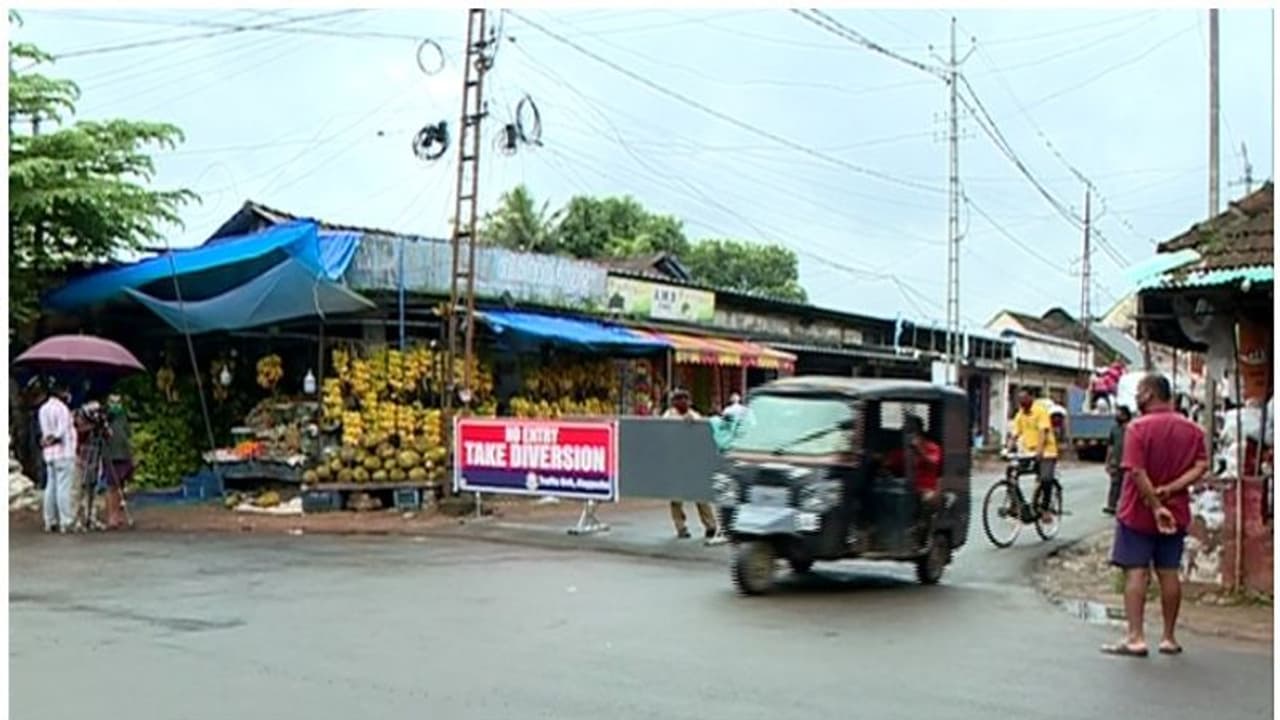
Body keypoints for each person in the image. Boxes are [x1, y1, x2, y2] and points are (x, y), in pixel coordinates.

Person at [1102, 374, 1207, 659]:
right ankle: (1169, 637)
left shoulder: (1137, 428)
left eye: (1138, 391)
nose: (1136, 397)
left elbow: (1135, 471)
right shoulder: (1193, 430)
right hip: (1176, 511)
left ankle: (1135, 637)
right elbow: (1201, 466)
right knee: (1169, 572)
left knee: (1136, 572)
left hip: (1137, 511)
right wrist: (1170, 491)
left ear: (1149, 394)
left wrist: (1153, 503)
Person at [663, 389, 718, 540]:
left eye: (685, 399)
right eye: (678, 399)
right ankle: (680, 527)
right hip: (675, 461)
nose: (682, 402)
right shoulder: (669, 416)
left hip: (692, 461)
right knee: (676, 497)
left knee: (700, 495)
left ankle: (710, 525)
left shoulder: (695, 416)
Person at [882, 415, 943, 520]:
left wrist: (919, 449)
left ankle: (923, 528)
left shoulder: (931, 446)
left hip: (926, 488)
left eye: (911, 431)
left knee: (926, 500)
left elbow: (933, 462)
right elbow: (890, 463)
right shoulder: (902, 451)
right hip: (904, 489)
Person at [1009, 391, 1059, 517]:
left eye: (1024, 398)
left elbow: (1043, 432)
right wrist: (1009, 447)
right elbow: (1015, 433)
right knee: (1011, 472)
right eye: (1020, 399)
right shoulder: (1020, 414)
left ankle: (1045, 508)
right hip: (1028, 452)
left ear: (1031, 398)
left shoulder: (1040, 411)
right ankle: (1016, 503)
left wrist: (1039, 450)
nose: (1022, 402)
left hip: (1047, 452)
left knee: (1046, 479)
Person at [38, 379, 78, 533]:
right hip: (64, 452)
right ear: (61, 393)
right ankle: (66, 521)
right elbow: (61, 431)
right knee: (63, 488)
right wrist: (53, 438)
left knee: (51, 487)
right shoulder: (62, 409)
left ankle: (50, 520)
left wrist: (47, 440)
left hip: (49, 454)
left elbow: (45, 431)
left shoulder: (43, 408)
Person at [103, 394, 134, 530]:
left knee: (120, 486)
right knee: (111, 487)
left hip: (124, 455)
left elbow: (128, 434)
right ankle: (112, 517)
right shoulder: (105, 418)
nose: (116, 405)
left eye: (118, 402)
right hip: (111, 455)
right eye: (113, 402)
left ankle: (118, 515)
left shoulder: (123, 417)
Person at [1103, 406, 1133, 515]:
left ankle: (1125, 506)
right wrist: (1107, 462)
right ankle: (1112, 505)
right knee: (1115, 484)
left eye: (1119, 414)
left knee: (1127, 485)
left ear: (1125, 415)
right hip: (1116, 462)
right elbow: (1110, 446)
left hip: (1129, 462)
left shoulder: (1132, 428)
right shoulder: (1114, 429)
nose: (1117, 416)